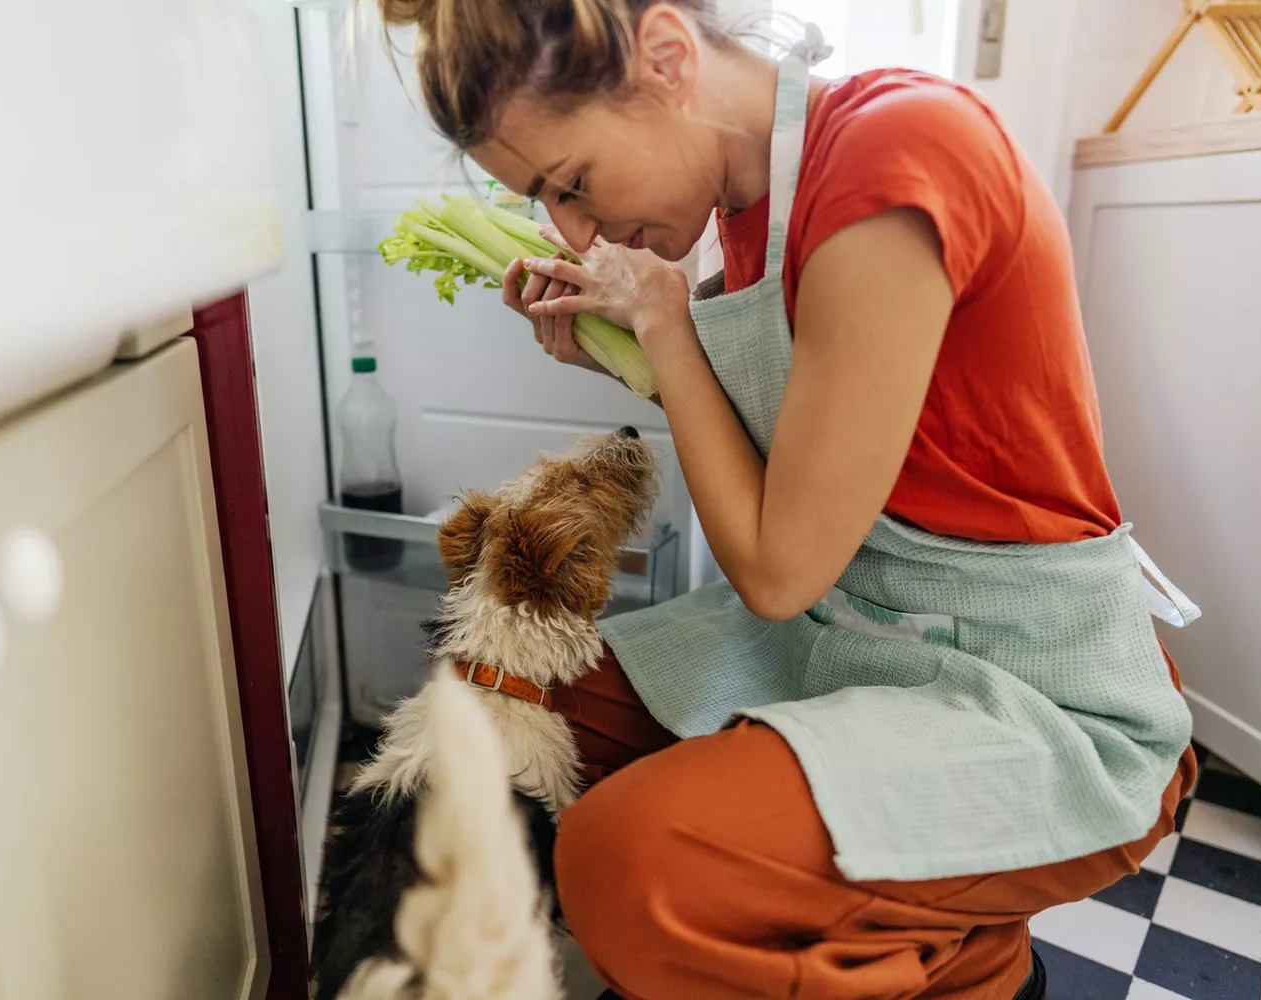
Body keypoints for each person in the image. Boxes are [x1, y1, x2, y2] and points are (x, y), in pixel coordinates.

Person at [373, 1, 1201, 997]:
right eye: (547, 202)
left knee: (628, 859)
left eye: (576, 184)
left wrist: (667, 331)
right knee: (502, 708)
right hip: (855, 627)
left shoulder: (895, 152)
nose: (576, 231)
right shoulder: (742, 206)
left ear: (671, 55)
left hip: (1034, 683)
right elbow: (798, 450)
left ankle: (960, 965)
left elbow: (775, 565)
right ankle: (945, 941)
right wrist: (622, 353)